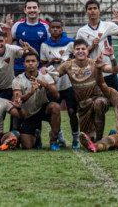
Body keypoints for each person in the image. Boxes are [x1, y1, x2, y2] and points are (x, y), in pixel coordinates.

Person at [55, 39, 118, 142]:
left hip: (99, 99)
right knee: (88, 140)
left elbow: (116, 70)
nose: (80, 51)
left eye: (83, 49)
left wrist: (111, 57)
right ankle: (110, 136)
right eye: (78, 49)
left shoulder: (94, 63)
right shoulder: (67, 65)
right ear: (73, 52)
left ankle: (99, 141)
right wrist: (45, 72)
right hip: (83, 105)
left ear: (87, 51)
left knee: (99, 103)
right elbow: (54, 76)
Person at [75, 0, 118, 92]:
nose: (92, 10)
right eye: (90, 9)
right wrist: (91, 47)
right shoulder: (81, 31)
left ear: (99, 11)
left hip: (109, 69)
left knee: (116, 101)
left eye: (95, 8)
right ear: (86, 12)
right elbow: (78, 54)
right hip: (91, 71)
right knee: (94, 102)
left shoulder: (108, 26)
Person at [40, 19, 78, 148]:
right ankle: (59, 137)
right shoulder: (44, 45)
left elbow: (78, 59)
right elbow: (42, 66)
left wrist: (68, 61)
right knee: (54, 112)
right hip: (53, 85)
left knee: (72, 111)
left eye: (58, 27)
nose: (55, 30)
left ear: (62, 29)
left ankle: (75, 138)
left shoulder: (71, 43)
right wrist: (51, 61)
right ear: (49, 30)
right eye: (53, 28)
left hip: (68, 83)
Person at [12, 52, 61, 150]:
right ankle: (37, 136)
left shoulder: (45, 76)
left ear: (37, 63)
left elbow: (56, 95)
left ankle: (54, 140)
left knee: (55, 107)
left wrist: (45, 84)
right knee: (27, 146)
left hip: (42, 109)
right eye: (28, 61)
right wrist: (31, 92)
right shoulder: (18, 80)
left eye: (33, 61)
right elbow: (17, 100)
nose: (30, 63)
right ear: (24, 64)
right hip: (28, 114)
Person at [11, 0, 50, 74]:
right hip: (20, 66)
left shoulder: (46, 26)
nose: (32, 10)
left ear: (39, 9)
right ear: (25, 10)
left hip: (39, 67)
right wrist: (8, 29)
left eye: (34, 7)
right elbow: (9, 44)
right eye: (29, 8)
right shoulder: (17, 25)